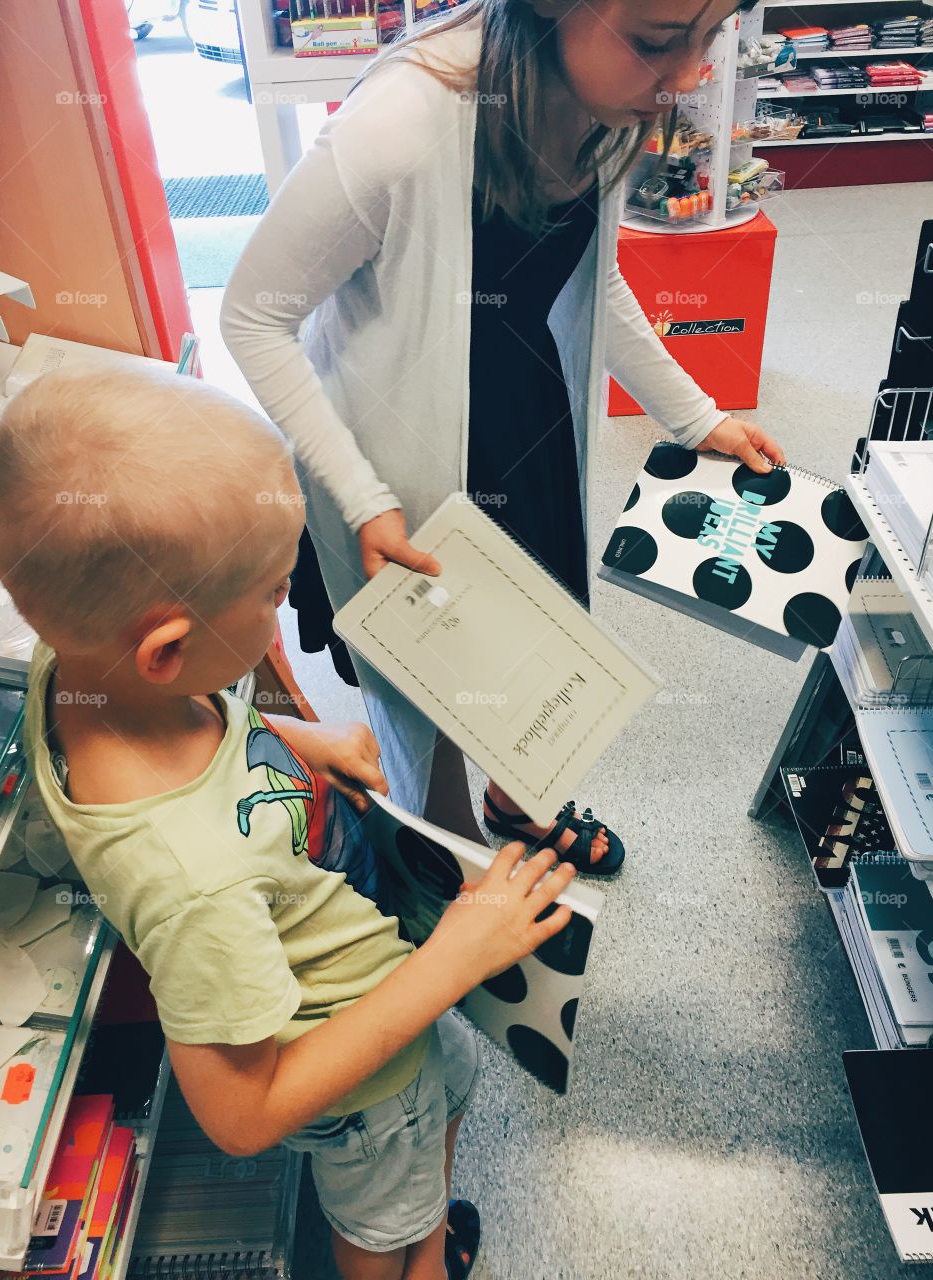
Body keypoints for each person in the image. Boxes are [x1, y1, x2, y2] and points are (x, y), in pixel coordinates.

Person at [0, 365, 576, 1280]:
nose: (285, 610)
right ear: (168, 647)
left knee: (434, 1124)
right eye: (269, 594)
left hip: (380, 987)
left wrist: (292, 734)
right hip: (363, 1074)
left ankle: (426, 1228)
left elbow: (202, 723)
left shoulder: (82, 668)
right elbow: (244, 1114)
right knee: (383, 1223)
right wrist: (454, 958)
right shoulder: (197, 882)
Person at [220, 0, 786, 876]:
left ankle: (518, 802)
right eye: (657, 42)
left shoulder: (597, 111)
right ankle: (446, 848)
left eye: (708, 38)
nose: (687, 78)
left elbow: (591, 284)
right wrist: (362, 496)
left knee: (536, 632)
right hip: (392, 454)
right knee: (428, 676)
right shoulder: (402, 125)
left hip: (525, 419)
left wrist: (694, 414)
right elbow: (254, 316)